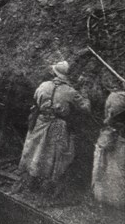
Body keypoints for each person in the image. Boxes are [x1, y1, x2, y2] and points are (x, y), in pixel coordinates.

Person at [15, 61, 91, 203]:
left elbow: (36, 100)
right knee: (55, 155)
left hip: (40, 122)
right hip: (57, 125)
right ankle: (49, 186)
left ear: (54, 73)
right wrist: (85, 95)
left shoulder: (43, 86)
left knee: (35, 150)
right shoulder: (70, 92)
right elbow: (85, 108)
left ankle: (32, 181)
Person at [91, 82, 125, 209]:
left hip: (110, 135)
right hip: (120, 139)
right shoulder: (117, 97)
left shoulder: (113, 96)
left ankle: (101, 198)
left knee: (104, 166)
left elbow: (107, 115)